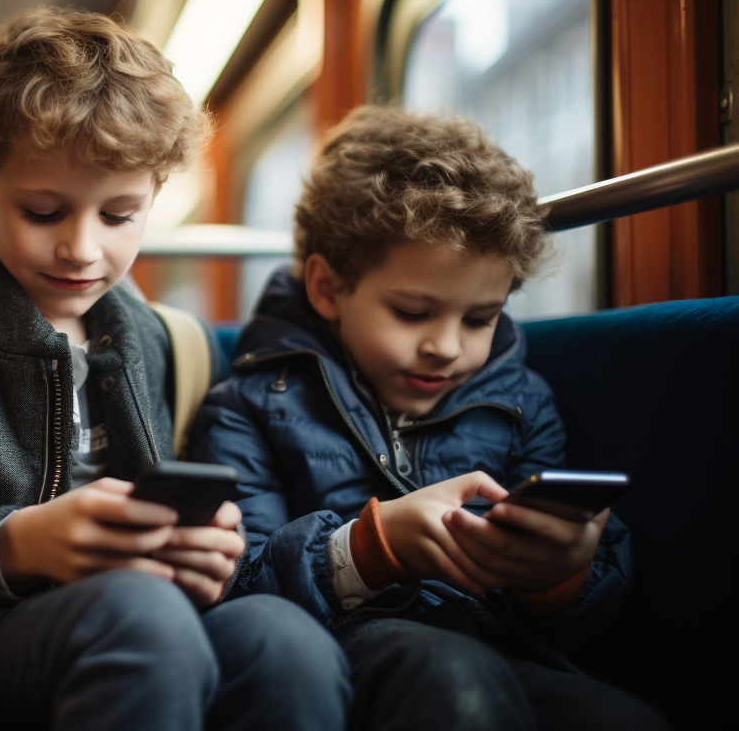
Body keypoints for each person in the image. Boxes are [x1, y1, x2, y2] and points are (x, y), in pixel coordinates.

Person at [0, 7, 349, 731]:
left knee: (283, 640)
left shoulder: (183, 347)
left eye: (118, 216)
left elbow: (217, 540)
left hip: (153, 624)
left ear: (154, 203)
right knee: (139, 619)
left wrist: (216, 552)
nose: (81, 248)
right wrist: (16, 545)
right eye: (45, 212)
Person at [191, 105, 669, 731]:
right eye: (413, 313)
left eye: (479, 319)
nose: (447, 347)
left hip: (502, 642)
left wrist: (560, 574)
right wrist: (369, 550)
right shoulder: (251, 404)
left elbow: (583, 625)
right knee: (451, 680)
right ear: (327, 288)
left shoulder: (522, 400)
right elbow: (233, 587)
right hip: (346, 646)